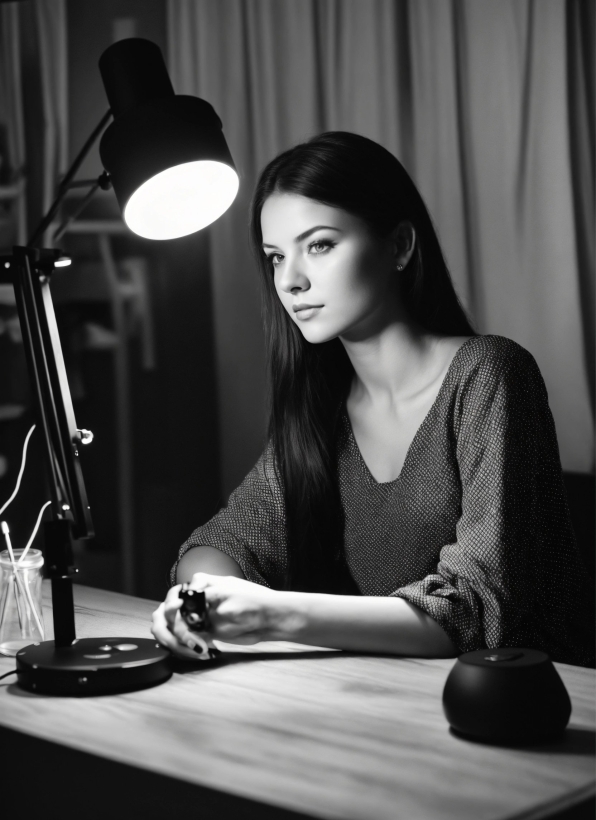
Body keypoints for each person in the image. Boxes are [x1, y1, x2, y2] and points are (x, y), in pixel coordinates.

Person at [151, 132, 594, 667]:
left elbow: (474, 612)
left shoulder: (489, 375)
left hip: (531, 714)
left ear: (400, 246)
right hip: (403, 704)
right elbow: (226, 542)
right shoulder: (324, 410)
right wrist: (201, 599)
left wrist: (274, 615)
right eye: (274, 257)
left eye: (319, 245)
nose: (289, 281)